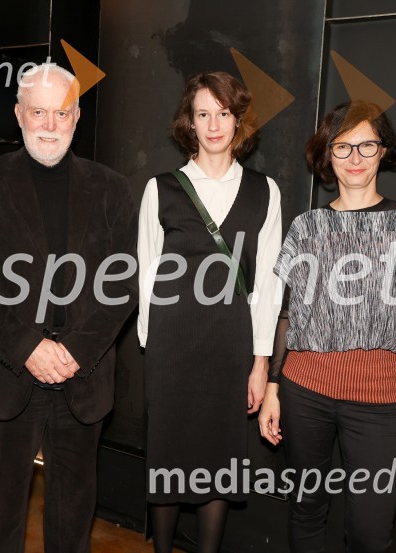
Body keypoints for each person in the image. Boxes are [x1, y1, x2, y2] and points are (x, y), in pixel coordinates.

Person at [0, 63, 138, 553]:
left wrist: (75, 350)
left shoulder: (113, 188)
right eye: (39, 111)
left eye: (62, 112)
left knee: (73, 512)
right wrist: (28, 346)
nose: (50, 124)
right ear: (19, 114)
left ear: (77, 116)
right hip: (7, 371)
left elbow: (122, 285)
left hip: (84, 374)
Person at [258, 100, 396, 552]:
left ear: (384, 151)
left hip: (378, 399)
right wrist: (271, 389)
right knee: (306, 509)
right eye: (343, 147)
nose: (356, 158)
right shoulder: (308, 226)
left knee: (369, 530)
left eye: (367, 145)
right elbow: (288, 313)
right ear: (328, 156)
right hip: (305, 392)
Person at [138, 71, 282, 553]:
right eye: (204, 114)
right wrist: (150, 345)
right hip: (171, 342)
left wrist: (261, 362)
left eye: (223, 113)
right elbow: (146, 271)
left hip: (230, 343)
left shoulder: (266, 191)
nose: (214, 124)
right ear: (190, 122)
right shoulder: (161, 189)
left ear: (238, 120)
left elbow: (267, 284)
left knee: (219, 459)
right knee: (167, 456)